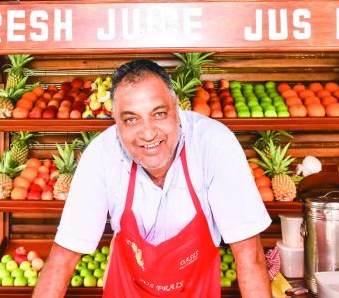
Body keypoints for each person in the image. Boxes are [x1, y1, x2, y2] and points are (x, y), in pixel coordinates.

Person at [33, 60, 271, 297]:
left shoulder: (213, 144)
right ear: (115, 120)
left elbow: (250, 257)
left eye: (159, 114)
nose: (148, 133)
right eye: (131, 119)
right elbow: (62, 260)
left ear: (176, 107)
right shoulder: (101, 154)